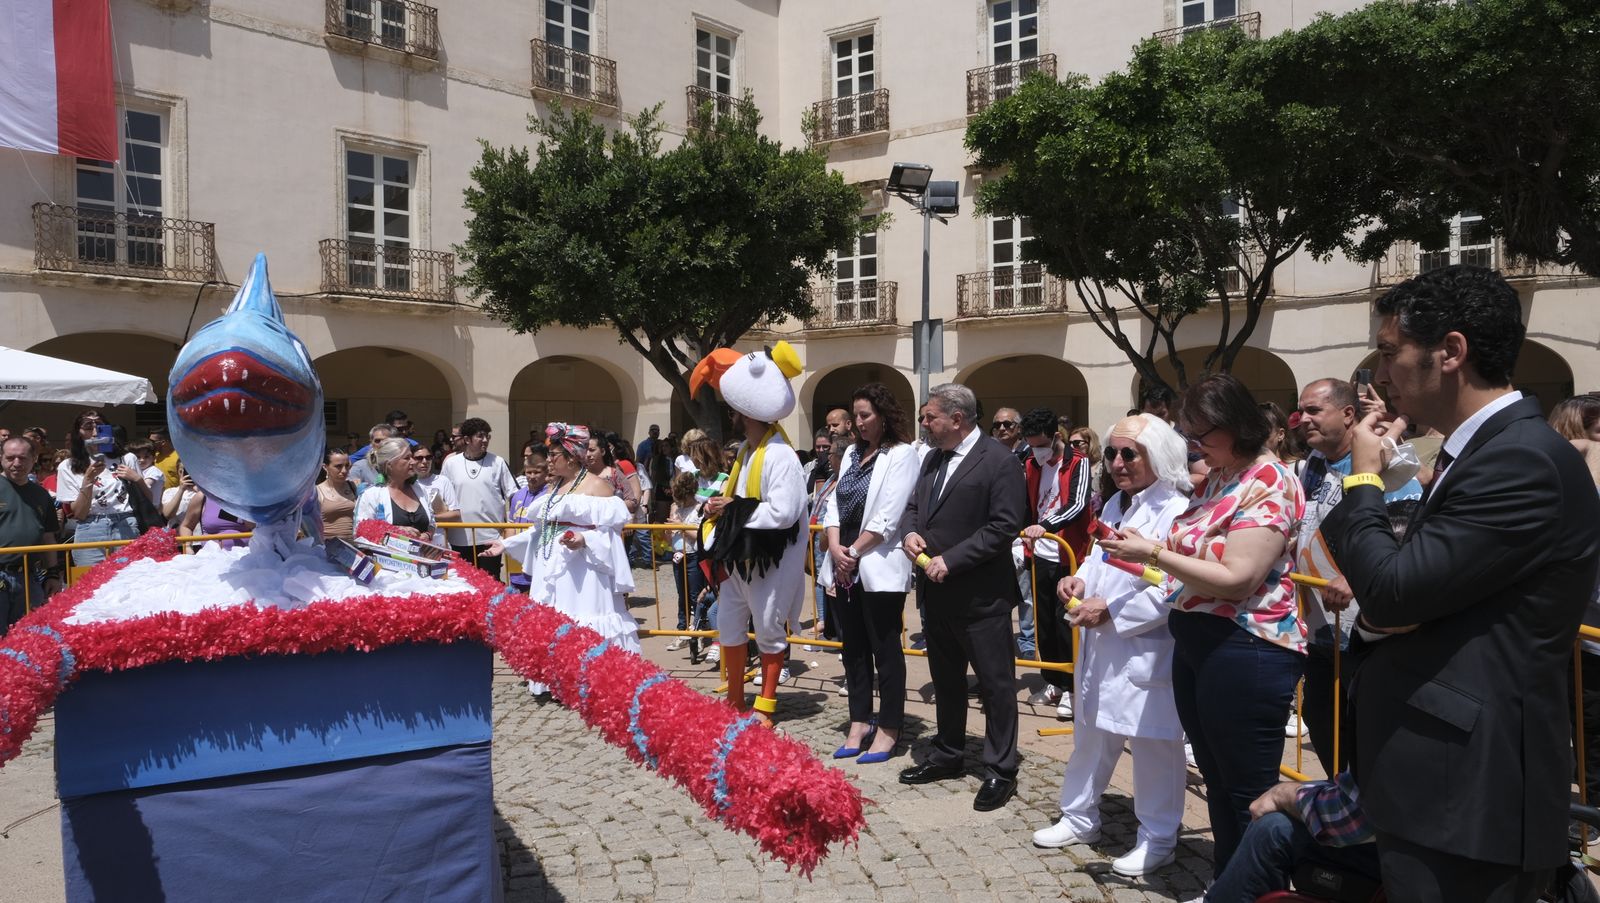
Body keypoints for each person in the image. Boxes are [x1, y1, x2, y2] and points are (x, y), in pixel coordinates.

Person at [1320, 265, 1600, 902]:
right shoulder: (1481, 451)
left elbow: (1394, 590)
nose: (1379, 375)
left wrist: (1363, 479)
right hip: (1436, 782)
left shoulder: (1519, 458)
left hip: (1470, 795)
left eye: (1390, 353)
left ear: (1451, 352)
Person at [1100, 373, 1307, 880]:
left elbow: (1238, 579)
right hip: (1202, 641)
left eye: (1200, 435)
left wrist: (1151, 550)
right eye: (1188, 435)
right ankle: (1226, 881)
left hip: (1247, 646)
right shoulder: (1220, 476)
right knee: (1217, 776)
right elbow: (1188, 556)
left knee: (1247, 790)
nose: (1193, 447)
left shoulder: (1271, 481)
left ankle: (1252, 887)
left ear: (1235, 426)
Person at [1033, 414, 1192, 878]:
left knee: (1153, 746)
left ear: (1158, 457)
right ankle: (1080, 817)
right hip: (1101, 646)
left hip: (1147, 647)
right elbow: (1097, 558)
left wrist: (1115, 613)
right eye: (1115, 453)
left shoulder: (1178, 510)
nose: (1118, 462)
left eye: (1130, 453)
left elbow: (1176, 584)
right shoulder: (1118, 505)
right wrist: (1077, 579)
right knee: (1090, 736)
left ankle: (1158, 837)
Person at [898, 383, 1029, 812]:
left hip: (980, 596)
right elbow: (915, 505)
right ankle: (948, 754)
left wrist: (952, 560)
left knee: (995, 685)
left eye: (929, 417)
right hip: (935, 594)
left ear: (957, 419)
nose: (923, 424)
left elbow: (1003, 526)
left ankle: (1000, 768)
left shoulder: (999, 461)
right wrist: (911, 531)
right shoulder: (933, 457)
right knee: (947, 681)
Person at [1289, 377, 1423, 774]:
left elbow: (1407, 535)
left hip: (1365, 637)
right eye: (1302, 411)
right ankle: (1338, 820)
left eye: (1315, 410)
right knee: (1327, 731)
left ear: (1349, 415)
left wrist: (1355, 577)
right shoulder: (1310, 466)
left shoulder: (1383, 462)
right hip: (1319, 633)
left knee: (1368, 740)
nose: (1303, 419)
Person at [690, 342, 808, 723]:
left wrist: (733, 509)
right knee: (729, 626)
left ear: (745, 411)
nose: (730, 414)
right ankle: (735, 702)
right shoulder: (745, 451)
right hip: (740, 558)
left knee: (770, 627)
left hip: (769, 561)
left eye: (733, 409)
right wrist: (718, 507)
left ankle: (766, 705)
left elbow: (784, 512)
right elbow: (740, 502)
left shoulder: (779, 455)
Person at [487, 423, 640, 698]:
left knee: (584, 619)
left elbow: (611, 531)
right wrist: (506, 543)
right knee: (556, 619)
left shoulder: (598, 487)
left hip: (582, 569)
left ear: (570, 457)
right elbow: (542, 528)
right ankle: (561, 680)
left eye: (553, 455)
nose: (548, 461)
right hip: (552, 567)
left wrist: (585, 541)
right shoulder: (555, 487)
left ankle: (593, 679)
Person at [825, 383, 918, 764]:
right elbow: (834, 501)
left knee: (885, 648)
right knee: (853, 649)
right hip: (844, 561)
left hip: (876, 560)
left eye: (865, 416)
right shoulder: (850, 452)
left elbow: (890, 514)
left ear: (883, 415)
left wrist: (854, 550)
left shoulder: (900, 454)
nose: (858, 423)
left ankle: (890, 726)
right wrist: (835, 548)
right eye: (856, 416)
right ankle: (859, 720)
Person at [1015, 408, 1093, 718]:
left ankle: (1074, 687)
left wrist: (1045, 525)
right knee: (1044, 622)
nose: (1037, 451)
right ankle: (1054, 682)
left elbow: (1077, 504)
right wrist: (1020, 537)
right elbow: (1026, 505)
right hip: (1041, 554)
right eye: (1031, 445)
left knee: (1066, 623)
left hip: (1069, 554)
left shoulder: (1079, 462)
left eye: (1041, 444)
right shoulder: (1031, 462)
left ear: (1056, 438)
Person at [56, 410, 142, 567]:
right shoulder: (67, 466)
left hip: (125, 522)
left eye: (100, 426)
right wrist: (88, 479)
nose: (95, 432)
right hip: (90, 527)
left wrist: (137, 479)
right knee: (91, 586)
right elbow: (79, 514)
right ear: (78, 433)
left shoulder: (127, 458)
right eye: (88, 426)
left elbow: (147, 498)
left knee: (130, 581)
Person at [441, 417, 517, 578]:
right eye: (480, 436)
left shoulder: (498, 462)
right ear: (467, 439)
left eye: (487, 436)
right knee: (464, 584)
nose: (485, 440)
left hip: (490, 537)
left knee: (490, 582)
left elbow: (514, 494)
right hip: (459, 537)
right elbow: (442, 496)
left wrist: (511, 524)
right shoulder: (451, 463)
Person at [1, 437, 62, 633]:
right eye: (10, 458)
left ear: (34, 459)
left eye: (22, 458)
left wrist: (53, 573)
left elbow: (48, 536)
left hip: (29, 578)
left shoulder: (41, 494)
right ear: (1, 458)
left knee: (27, 638)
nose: (16, 463)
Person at [355, 438, 446, 535]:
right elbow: (360, 530)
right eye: (407, 458)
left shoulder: (420, 490)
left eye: (412, 457)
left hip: (421, 550)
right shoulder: (371, 495)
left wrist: (428, 535)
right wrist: (395, 531)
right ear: (389, 464)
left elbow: (431, 522)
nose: (413, 462)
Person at [664, 471, 706, 656]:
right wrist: (669, 529)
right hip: (678, 555)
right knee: (682, 596)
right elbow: (669, 537)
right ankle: (682, 631)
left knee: (696, 595)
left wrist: (681, 525)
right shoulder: (676, 508)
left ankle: (698, 632)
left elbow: (699, 536)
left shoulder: (699, 509)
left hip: (694, 556)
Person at [504, 444, 554, 597]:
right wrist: (510, 547)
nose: (532, 476)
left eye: (537, 472)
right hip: (518, 557)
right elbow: (510, 525)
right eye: (529, 472)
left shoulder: (550, 494)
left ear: (546, 472)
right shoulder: (517, 495)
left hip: (539, 554)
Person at [412, 444, 460, 546]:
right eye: (419, 458)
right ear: (411, 460)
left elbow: (455, 514)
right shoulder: (407, 483)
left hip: (439, 541)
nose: (424, 461)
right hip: (414, 539)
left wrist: (428, 517)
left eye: (428, 457)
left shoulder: (442, 481)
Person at [317, 449, 358, 541]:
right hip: (327, 547)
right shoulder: (316, 492)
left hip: (353, 547)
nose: (344, 470)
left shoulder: (354, 487)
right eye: (338, 466)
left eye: (347, 466)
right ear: (325, 467)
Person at [1069, 426, 1105, 516]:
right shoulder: (1069, 467)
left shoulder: (1102, 467)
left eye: (1076, 443)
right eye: (1069, 443)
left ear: (1090, 443)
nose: (1071, 446)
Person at [348, 423, 395, 492]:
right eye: (377, 441)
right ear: (371, 443)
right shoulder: (360, 467)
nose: (381, 444)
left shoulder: (401, 465)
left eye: (385, 441)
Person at [1259, 401, 1305, 466]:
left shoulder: (1300, 467)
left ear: (1280, 434)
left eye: (1263, 431)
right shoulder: (1248, 470)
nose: (1257, 437)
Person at [160, 462, 199, 529]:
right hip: (175, 533)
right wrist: (181, 490)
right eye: (182, 471)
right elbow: (167, 514)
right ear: (179, 471)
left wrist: (199, 490)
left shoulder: (204, 493)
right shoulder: (170, 492)